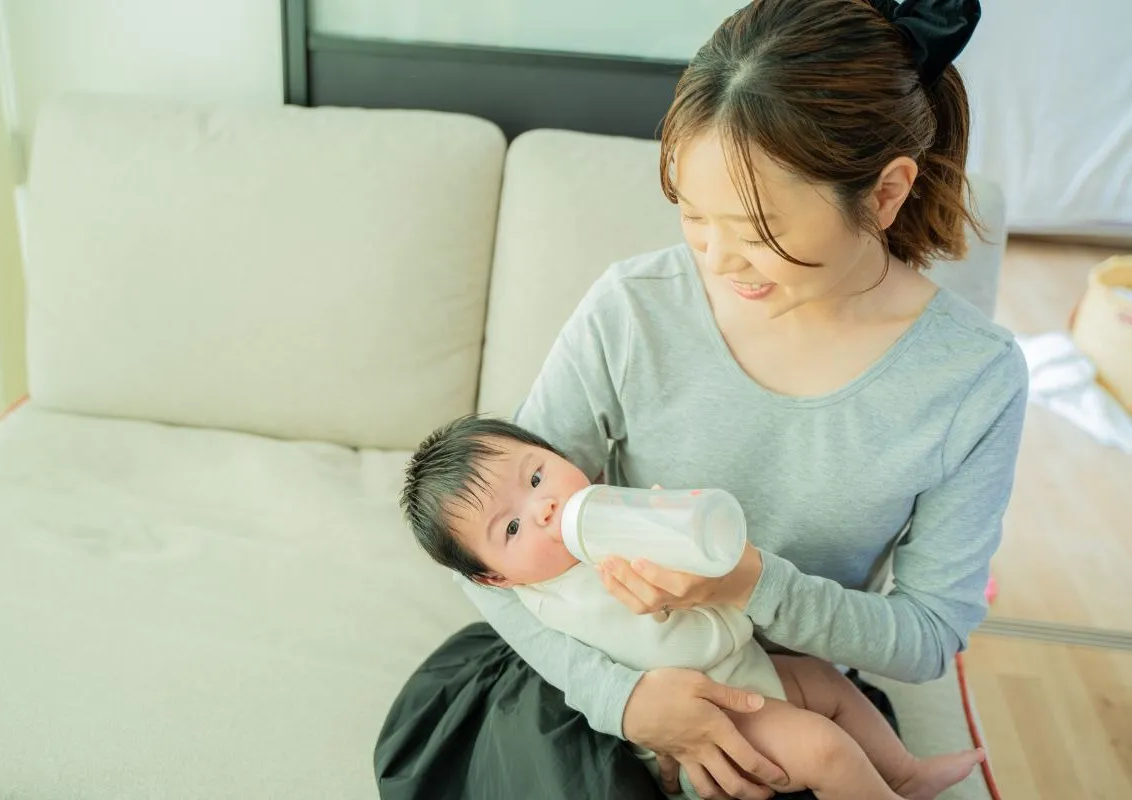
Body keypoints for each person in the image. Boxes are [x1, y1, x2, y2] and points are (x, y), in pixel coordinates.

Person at [376, 0, 1026, 798]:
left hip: (775, 686)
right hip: (604, 684)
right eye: (692, 213)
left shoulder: (971, 379)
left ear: (886, 194)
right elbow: (486, 559)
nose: (719, 260)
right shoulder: (634, 309)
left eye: (757, 228)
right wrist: (626, 700)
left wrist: (752, 584)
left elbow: (928, 636)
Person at [400, 414, 986, 800]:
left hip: (741, 668)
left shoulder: (609, 515)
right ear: (494, 577)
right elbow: (677, 644)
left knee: (825, 681)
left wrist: (668, 527)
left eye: (535, 477)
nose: (544, 508)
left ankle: (902, 773)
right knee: (823, 747)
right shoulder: (554, 598)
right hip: (706, 714)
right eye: (510, 527)